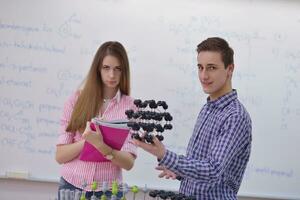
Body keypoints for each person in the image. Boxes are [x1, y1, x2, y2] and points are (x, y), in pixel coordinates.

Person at [134, 37, 252, 200]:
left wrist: (165, 155)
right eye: (200, 67)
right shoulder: (207, 109)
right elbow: (201, 165)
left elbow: (213, 170)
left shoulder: (235, 116)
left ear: (229, 69)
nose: (204, 75)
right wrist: (179, 172)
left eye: (212, 68)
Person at [55, 41, 137, 199]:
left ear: (124, 71)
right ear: (98, 69)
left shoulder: (131, 107)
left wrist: (101, 145)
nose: (112, 75)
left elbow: (128, 163)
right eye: (106, 68)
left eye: (117, 69)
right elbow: (60, 156)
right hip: (71, 186)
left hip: (108, 191)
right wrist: (87, 141)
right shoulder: (76, 100)